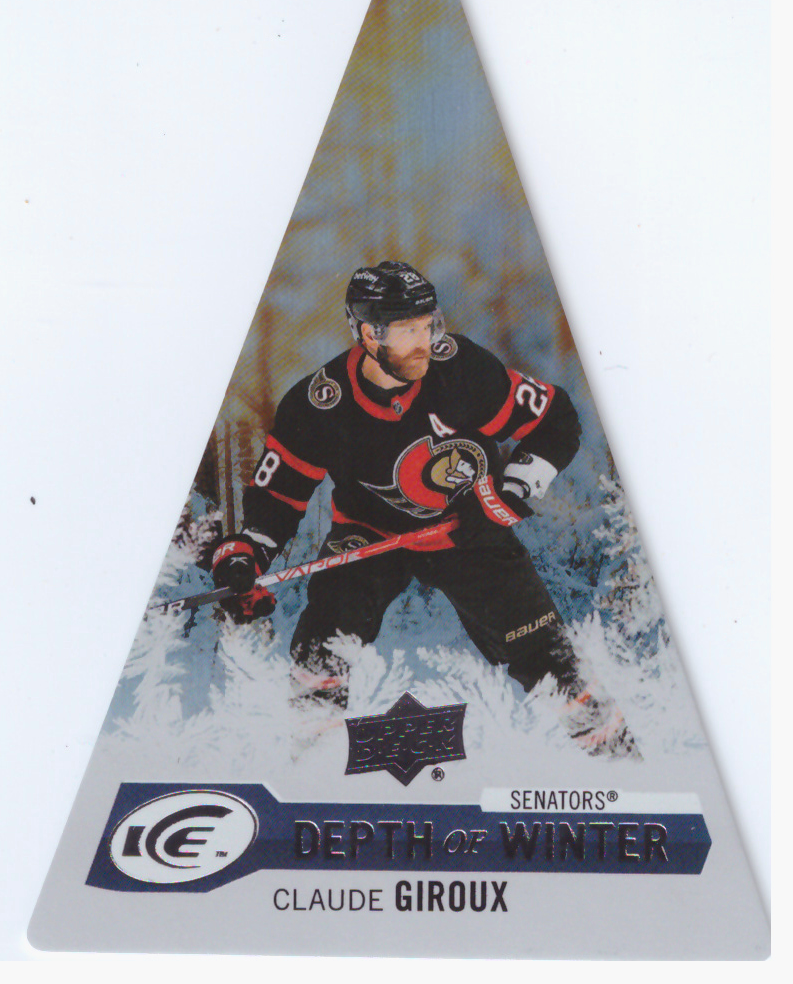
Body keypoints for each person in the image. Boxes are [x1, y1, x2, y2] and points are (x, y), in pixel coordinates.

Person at [212, 261, 638, 757]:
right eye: (408, 331)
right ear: (369, 334)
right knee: (321, 643)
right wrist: (247, 556)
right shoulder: (318, 405)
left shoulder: (460, 369)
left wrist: (508, 493)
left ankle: (620, 763)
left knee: (547, 656)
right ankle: (312, 766)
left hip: (467, 528)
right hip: (370, 536)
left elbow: (556, 419)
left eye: (428, 325)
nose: (425, 342)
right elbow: (278, 498)